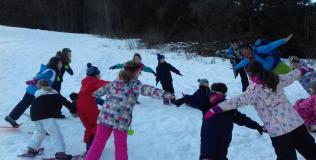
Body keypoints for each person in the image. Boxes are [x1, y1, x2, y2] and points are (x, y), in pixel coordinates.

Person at [204, 61, 316, 160]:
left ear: (252, 75)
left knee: (289, 157)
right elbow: (291, 76)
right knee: (310, 150)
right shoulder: (275, 79)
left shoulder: (254, 92)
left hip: (279, 132)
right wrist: (302, 70)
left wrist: (216, 109)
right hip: (295, 124)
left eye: (248, 75)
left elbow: (236, 101)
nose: (248, 77)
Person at [85, 61, 174, 160]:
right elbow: (148, 90)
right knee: (120, 146)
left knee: (98, 143)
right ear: (135, 72)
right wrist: (165, 94)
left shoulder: (114, 82)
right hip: (121, 121)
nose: (139, 74)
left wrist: (93, 93)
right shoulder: (135, 84)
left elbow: (97, 93)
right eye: (139, 72)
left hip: (105, 117)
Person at [173, 80, 264, 160]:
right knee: (220, 156)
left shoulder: (207, 100)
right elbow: (242, 119)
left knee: (209, 156)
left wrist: (182, 100)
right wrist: (257, 126)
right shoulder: (228, 104)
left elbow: (193, 99)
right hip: (224, 137)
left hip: (209, 136)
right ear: (224, 93)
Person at [5, 57, 62, 127]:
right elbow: (41, 76)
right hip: (36, 92)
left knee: (25, 103)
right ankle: (46, 128)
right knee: (41, 108)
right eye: (60, 63)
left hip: (34, 90)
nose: (61, 64)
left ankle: (11, 117)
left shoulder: (50, 70)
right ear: (55, 64)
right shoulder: (51, 71)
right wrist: (34, 81)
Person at [24, 79, 73, 159]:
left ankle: (32, 149)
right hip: (47, 115)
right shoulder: (54, 93)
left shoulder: (37, 94)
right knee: (55, 133)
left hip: (34, 115)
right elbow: (65, 102)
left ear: (39, 87)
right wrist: (74, 109)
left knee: (40, 132)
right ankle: (60, 153)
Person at [77, 63, 109, 152]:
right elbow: (107, 84)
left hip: (80, 104)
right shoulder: (94, 81)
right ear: (95, 74)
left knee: (89, 126)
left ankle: (89, 147)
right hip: (88, 104)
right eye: (99, 74)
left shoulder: (86, 81)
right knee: (95, 125)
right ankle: (92, 149)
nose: (100, 75)